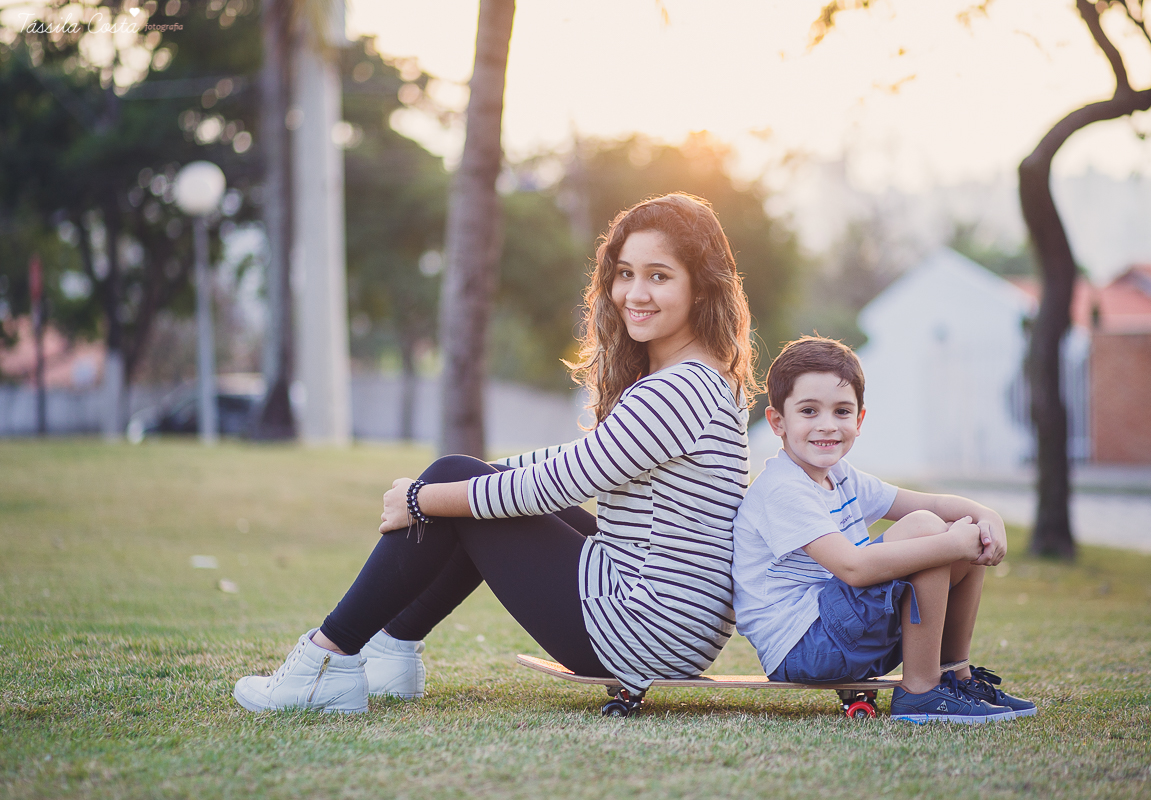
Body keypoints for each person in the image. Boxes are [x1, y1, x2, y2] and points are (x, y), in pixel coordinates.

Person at [235, 193, 756, 713]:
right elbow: (579, 459)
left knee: (460, 483)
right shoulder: (705, 380)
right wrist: (456, 487)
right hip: (674, 629)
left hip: (641, 631)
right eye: (624, 273)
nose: (634, 293)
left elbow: (560, 483)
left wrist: (422, 500)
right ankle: (391, 650)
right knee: (472, 483)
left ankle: (326, 661)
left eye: (659, 276)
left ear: (701, 286)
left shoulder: (676, 390)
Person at [731, 336, 1037, 723]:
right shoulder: (783, 488)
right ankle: (921, 691)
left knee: (960, 532)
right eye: (809, 411)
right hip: (804, 646)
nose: (827, 425)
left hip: (840, 632)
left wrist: (985, 515)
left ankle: (954, 677)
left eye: (841, 412)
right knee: (932, 532)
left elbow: (934, 503)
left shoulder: (840, 477)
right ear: (778, 421)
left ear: (859, 420)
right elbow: (853, 568)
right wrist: (952, 541)